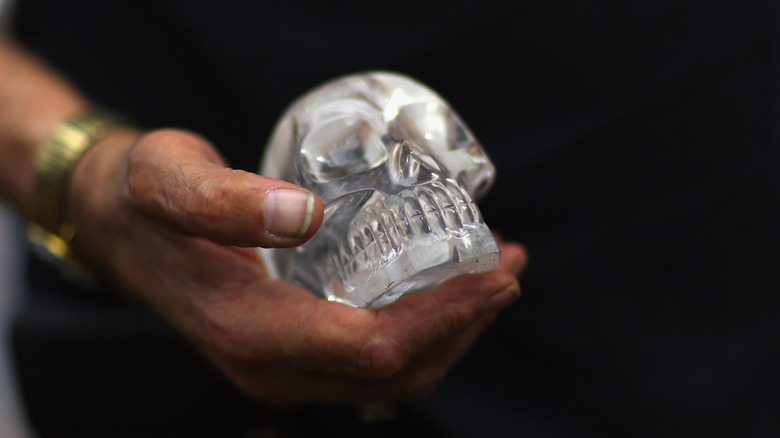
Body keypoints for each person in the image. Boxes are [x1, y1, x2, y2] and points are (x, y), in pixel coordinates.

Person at [4, 1, 780, 437]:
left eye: (428, 154)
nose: (408, 170)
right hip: (174, 327)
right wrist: (78, 170)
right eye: (358, 159)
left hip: (704, 296)